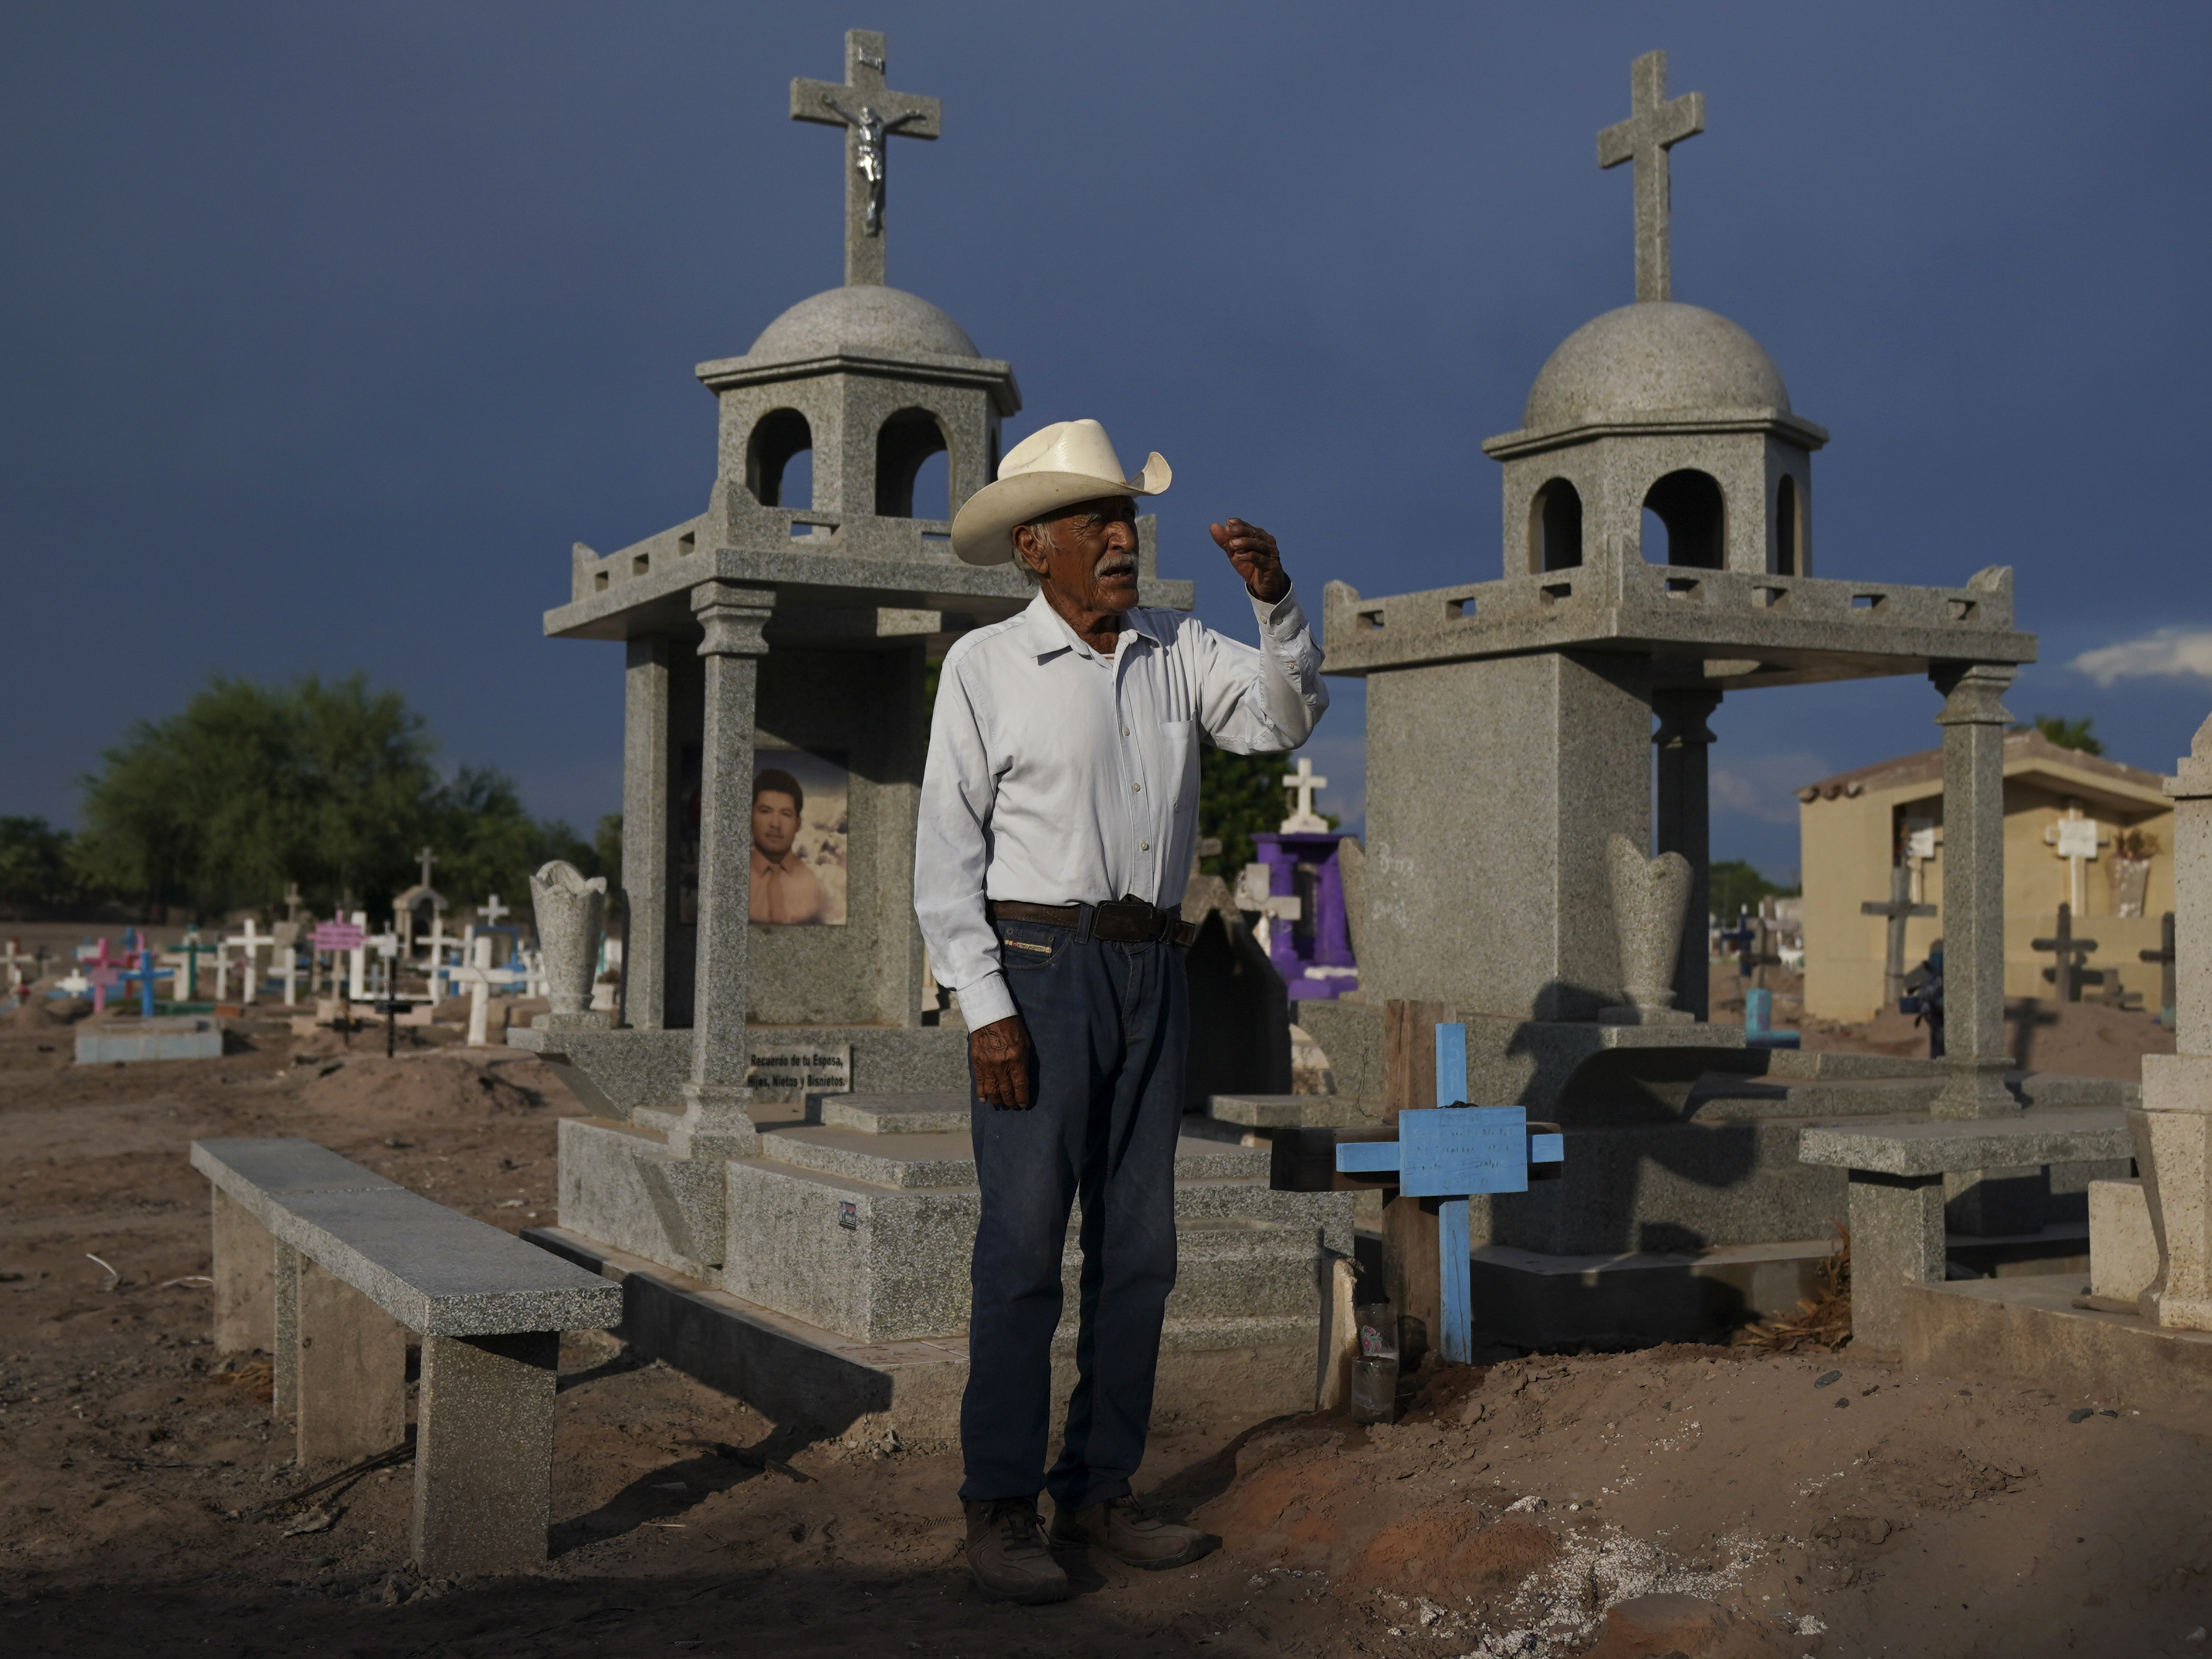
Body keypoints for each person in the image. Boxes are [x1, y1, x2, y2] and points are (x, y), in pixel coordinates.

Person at [916, 418, 1329, 1603]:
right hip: (1039, 970)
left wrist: (1279, 604)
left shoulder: (1174, 648)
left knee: (1140, 1251)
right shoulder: (985, 669)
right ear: (1031, 548)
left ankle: (1099, 1492)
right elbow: (945, 856)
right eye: (1094, 522)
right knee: (1022, 1248)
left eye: (1125, 519)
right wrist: (984, 1006)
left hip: (1156, 971)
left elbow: (1282, 717)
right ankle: (997, 1508)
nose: (1118, 539)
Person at [750, 768, 826, 925]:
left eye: (786, 814)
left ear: (798, 824)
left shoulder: (811, 884)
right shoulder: (732, 877)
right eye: (765, 811)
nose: (776, 824)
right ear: (750, 817)